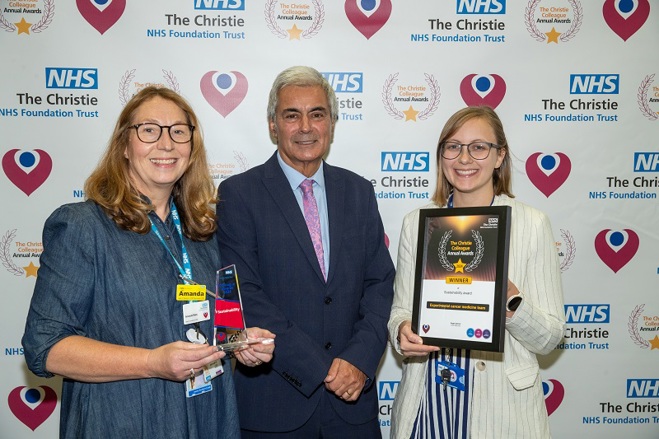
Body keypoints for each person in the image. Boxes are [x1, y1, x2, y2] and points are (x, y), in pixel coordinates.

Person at [22, 86, 275, 439]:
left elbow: (218, 323)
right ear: (125, 146)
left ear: (191, 145)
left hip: (207, 415)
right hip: (123, 417)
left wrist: (239, 344)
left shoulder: (205, 231)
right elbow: (45, 347)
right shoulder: (82, 227)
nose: (166, 143)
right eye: (149, 130)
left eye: (178, 131)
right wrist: (151, 363)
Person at [215, 66, 395, 438]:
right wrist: (325, 369)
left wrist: (358, 362)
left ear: (331, 123)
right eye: (291, 115)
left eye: (317, 113)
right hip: (273, 406)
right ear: (272, 125)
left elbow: (380, 285)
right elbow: (244, 294)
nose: (306, 127)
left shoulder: (359, 192)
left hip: (353, 405)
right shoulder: (239, 194)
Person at [387, 106, 565, 439]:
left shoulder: (532, 224)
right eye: (453, 146)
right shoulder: (418, 223)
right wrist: (402, 332)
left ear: (500, 157)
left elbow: (551, 337)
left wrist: (511, 302)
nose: (464, 158)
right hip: (429, 400)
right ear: (442, 156)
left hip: (502, 412)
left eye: (479, 147)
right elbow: (400, 310)